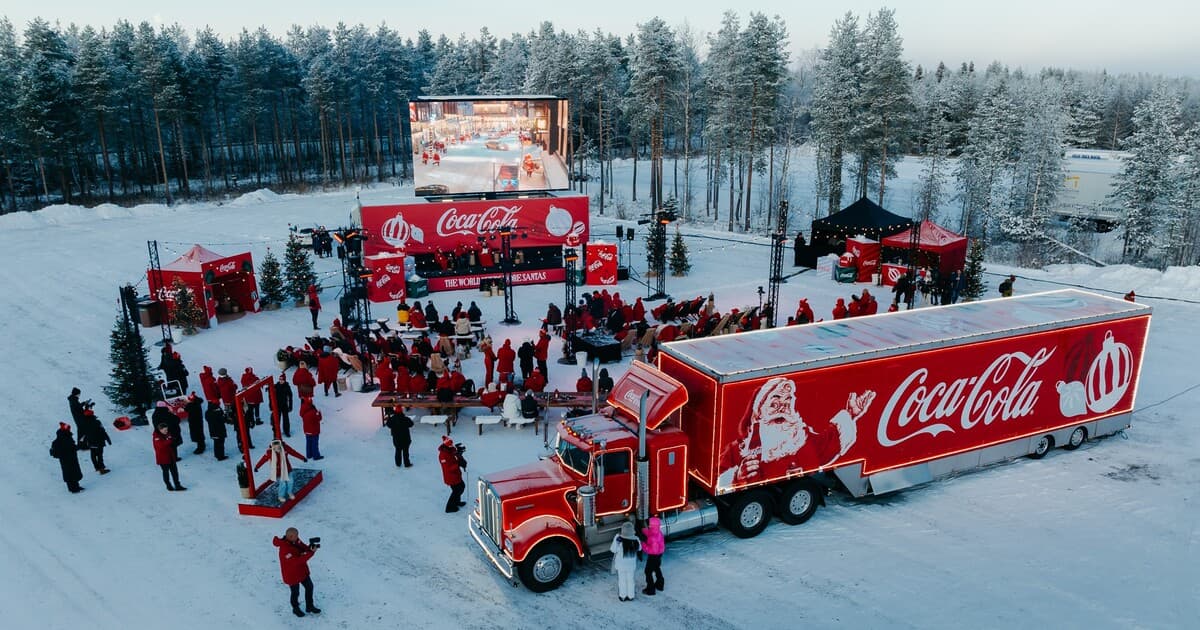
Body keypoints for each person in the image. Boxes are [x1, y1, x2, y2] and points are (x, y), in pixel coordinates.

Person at [717, 378, 875, 487]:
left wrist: (850, 414)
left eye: (787, 402)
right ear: (759, 411)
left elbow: (828, 443)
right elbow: (718, 477)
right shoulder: (736, 451)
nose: (782, 408)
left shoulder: (802, 438)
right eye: (775, 402)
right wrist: (736, 477)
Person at [273, 527, 320, 617]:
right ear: (290, 536)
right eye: (296, 536)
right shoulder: (284, 549)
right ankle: (295, 608)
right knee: (295, 592)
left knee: (309, 587)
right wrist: (311, 553)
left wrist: (309, 548)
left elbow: (303, 547)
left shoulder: (295, 540)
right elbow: (296, 561)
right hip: (292, 574)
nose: (298, 537)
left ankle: (309, 606)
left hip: (301, 570)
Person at [610, 521, 641, 601]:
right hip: (631, 565)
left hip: (621, 565)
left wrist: (616, 541)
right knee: (630, 580)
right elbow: (640, 548)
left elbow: (613, 550)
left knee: (622, 580)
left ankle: (623, 596)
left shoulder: (619, 540)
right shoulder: (636, 540)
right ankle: (631, 596)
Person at [50, 423, 84, 493]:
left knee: (73, 472)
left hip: (71, 458)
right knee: (70, 473)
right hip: (66, 460)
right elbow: (56, 452)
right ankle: (73, 489)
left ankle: (76, 486)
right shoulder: (61, 440)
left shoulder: (66, 437)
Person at [153, 423, 186, 491]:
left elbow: (170, 442)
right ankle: (168, 485)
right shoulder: (156, 437)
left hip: (170, 456)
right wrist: (169, 440)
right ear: (160, 430)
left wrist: (173, 440)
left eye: (167, 430)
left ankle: (177, 485)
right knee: (166, 472)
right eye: (164, 430)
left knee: (175, 472)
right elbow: (161, 445)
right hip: (163, 459)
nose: (166, 431)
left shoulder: (167, 434)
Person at [438, 436, 467, 513]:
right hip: (450, 476)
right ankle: (449, 507)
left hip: (456, 474)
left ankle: (457, 502)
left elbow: (455, 452)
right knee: (457, 490)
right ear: (445, 445)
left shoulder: (450, 449)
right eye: (450, 445)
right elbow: (448, 468)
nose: (452, 446)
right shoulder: (442, 455)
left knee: (461, 487)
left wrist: (459, 453)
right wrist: (458, 464)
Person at [79, 410, 111, 474]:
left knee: (93, 455)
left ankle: (96, 467)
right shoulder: (97, 422)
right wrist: (108, 439)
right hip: (99, 441)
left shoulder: (83, 423)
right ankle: (101, 469)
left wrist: (82, 442)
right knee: (99, 455)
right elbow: (102, 431)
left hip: (90, 442)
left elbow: (82, 434)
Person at [641, 517, 666, 595]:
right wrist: (643, 530)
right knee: (656, 568)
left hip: (653, 556)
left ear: (651, 525)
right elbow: (650, 533)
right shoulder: (658, 532)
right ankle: (660, 584)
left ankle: (650, 589)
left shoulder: (653, 538)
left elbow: (653, 550)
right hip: (659, 554)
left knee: (648, 572)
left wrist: (643, 545)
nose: (648, 525)